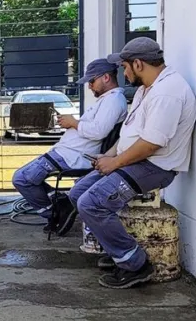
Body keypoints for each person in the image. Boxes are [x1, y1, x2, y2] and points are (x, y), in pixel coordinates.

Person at [67, 37, 196, 289]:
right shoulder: (145, 90)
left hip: (154, 166)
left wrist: (115, 163)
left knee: (92, 203)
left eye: (125, 67)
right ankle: (117, 249)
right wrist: (108, 156)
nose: (123, 73)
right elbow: (130, 134)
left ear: (138, 64)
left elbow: (151, 144)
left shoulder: (167, 92)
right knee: (77, 193)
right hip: (133, 160)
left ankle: (134, 264)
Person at [11, 58, 126, 216]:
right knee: (22, 178)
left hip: (73, 156)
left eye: (92, 81)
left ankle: (55, 213)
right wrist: (72, 123)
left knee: (22, 179)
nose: (89, 86)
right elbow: (94, 127)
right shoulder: (107, 99)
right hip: (67, 153)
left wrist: (73, 122)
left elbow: (98, 131)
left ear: (106, 77)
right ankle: (60, 202)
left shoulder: (114, 100)